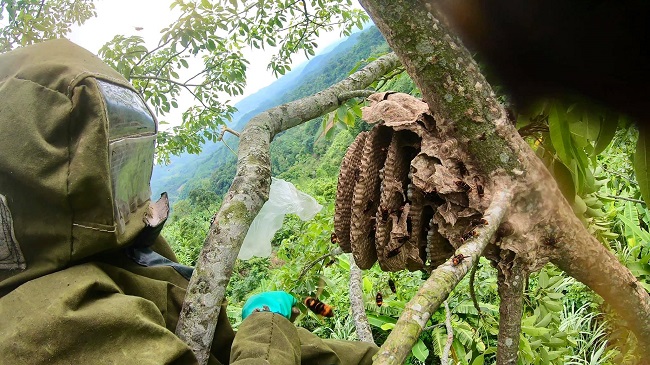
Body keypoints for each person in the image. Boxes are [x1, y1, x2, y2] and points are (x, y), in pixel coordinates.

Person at [0, 39, 377, 364]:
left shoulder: (112, 252)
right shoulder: (47, 329)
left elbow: (218, 348)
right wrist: (265, 322)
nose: (127, 190)